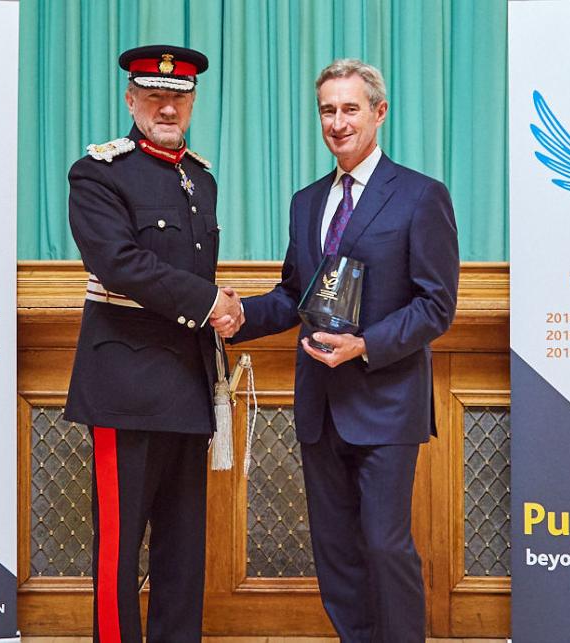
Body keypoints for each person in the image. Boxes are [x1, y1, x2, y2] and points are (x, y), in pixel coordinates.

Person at [230, 59, 459, 642]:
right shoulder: (307, 202)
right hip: (320, 406)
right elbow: (293, 295)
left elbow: (436, 306)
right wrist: (233, 317)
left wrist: (365, 345)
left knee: (385, 547)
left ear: (379, 113)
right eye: (328, 110)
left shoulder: (420, 196)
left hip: (386, 404)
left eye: (350, 108)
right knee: (336, 558)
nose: (337, 122)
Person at [64, 44, 242, 643]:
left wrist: (216, 301)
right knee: (119, 546)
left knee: (182, 548)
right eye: (155, 95)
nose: (168, 107)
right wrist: (207, 301)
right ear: (131, 99)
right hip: (127, 387)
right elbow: (120, 265)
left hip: (189, 384)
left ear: (192, 102)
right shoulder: (97, 172)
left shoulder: (201, 177)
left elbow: (190, 272)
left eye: (180, 96)